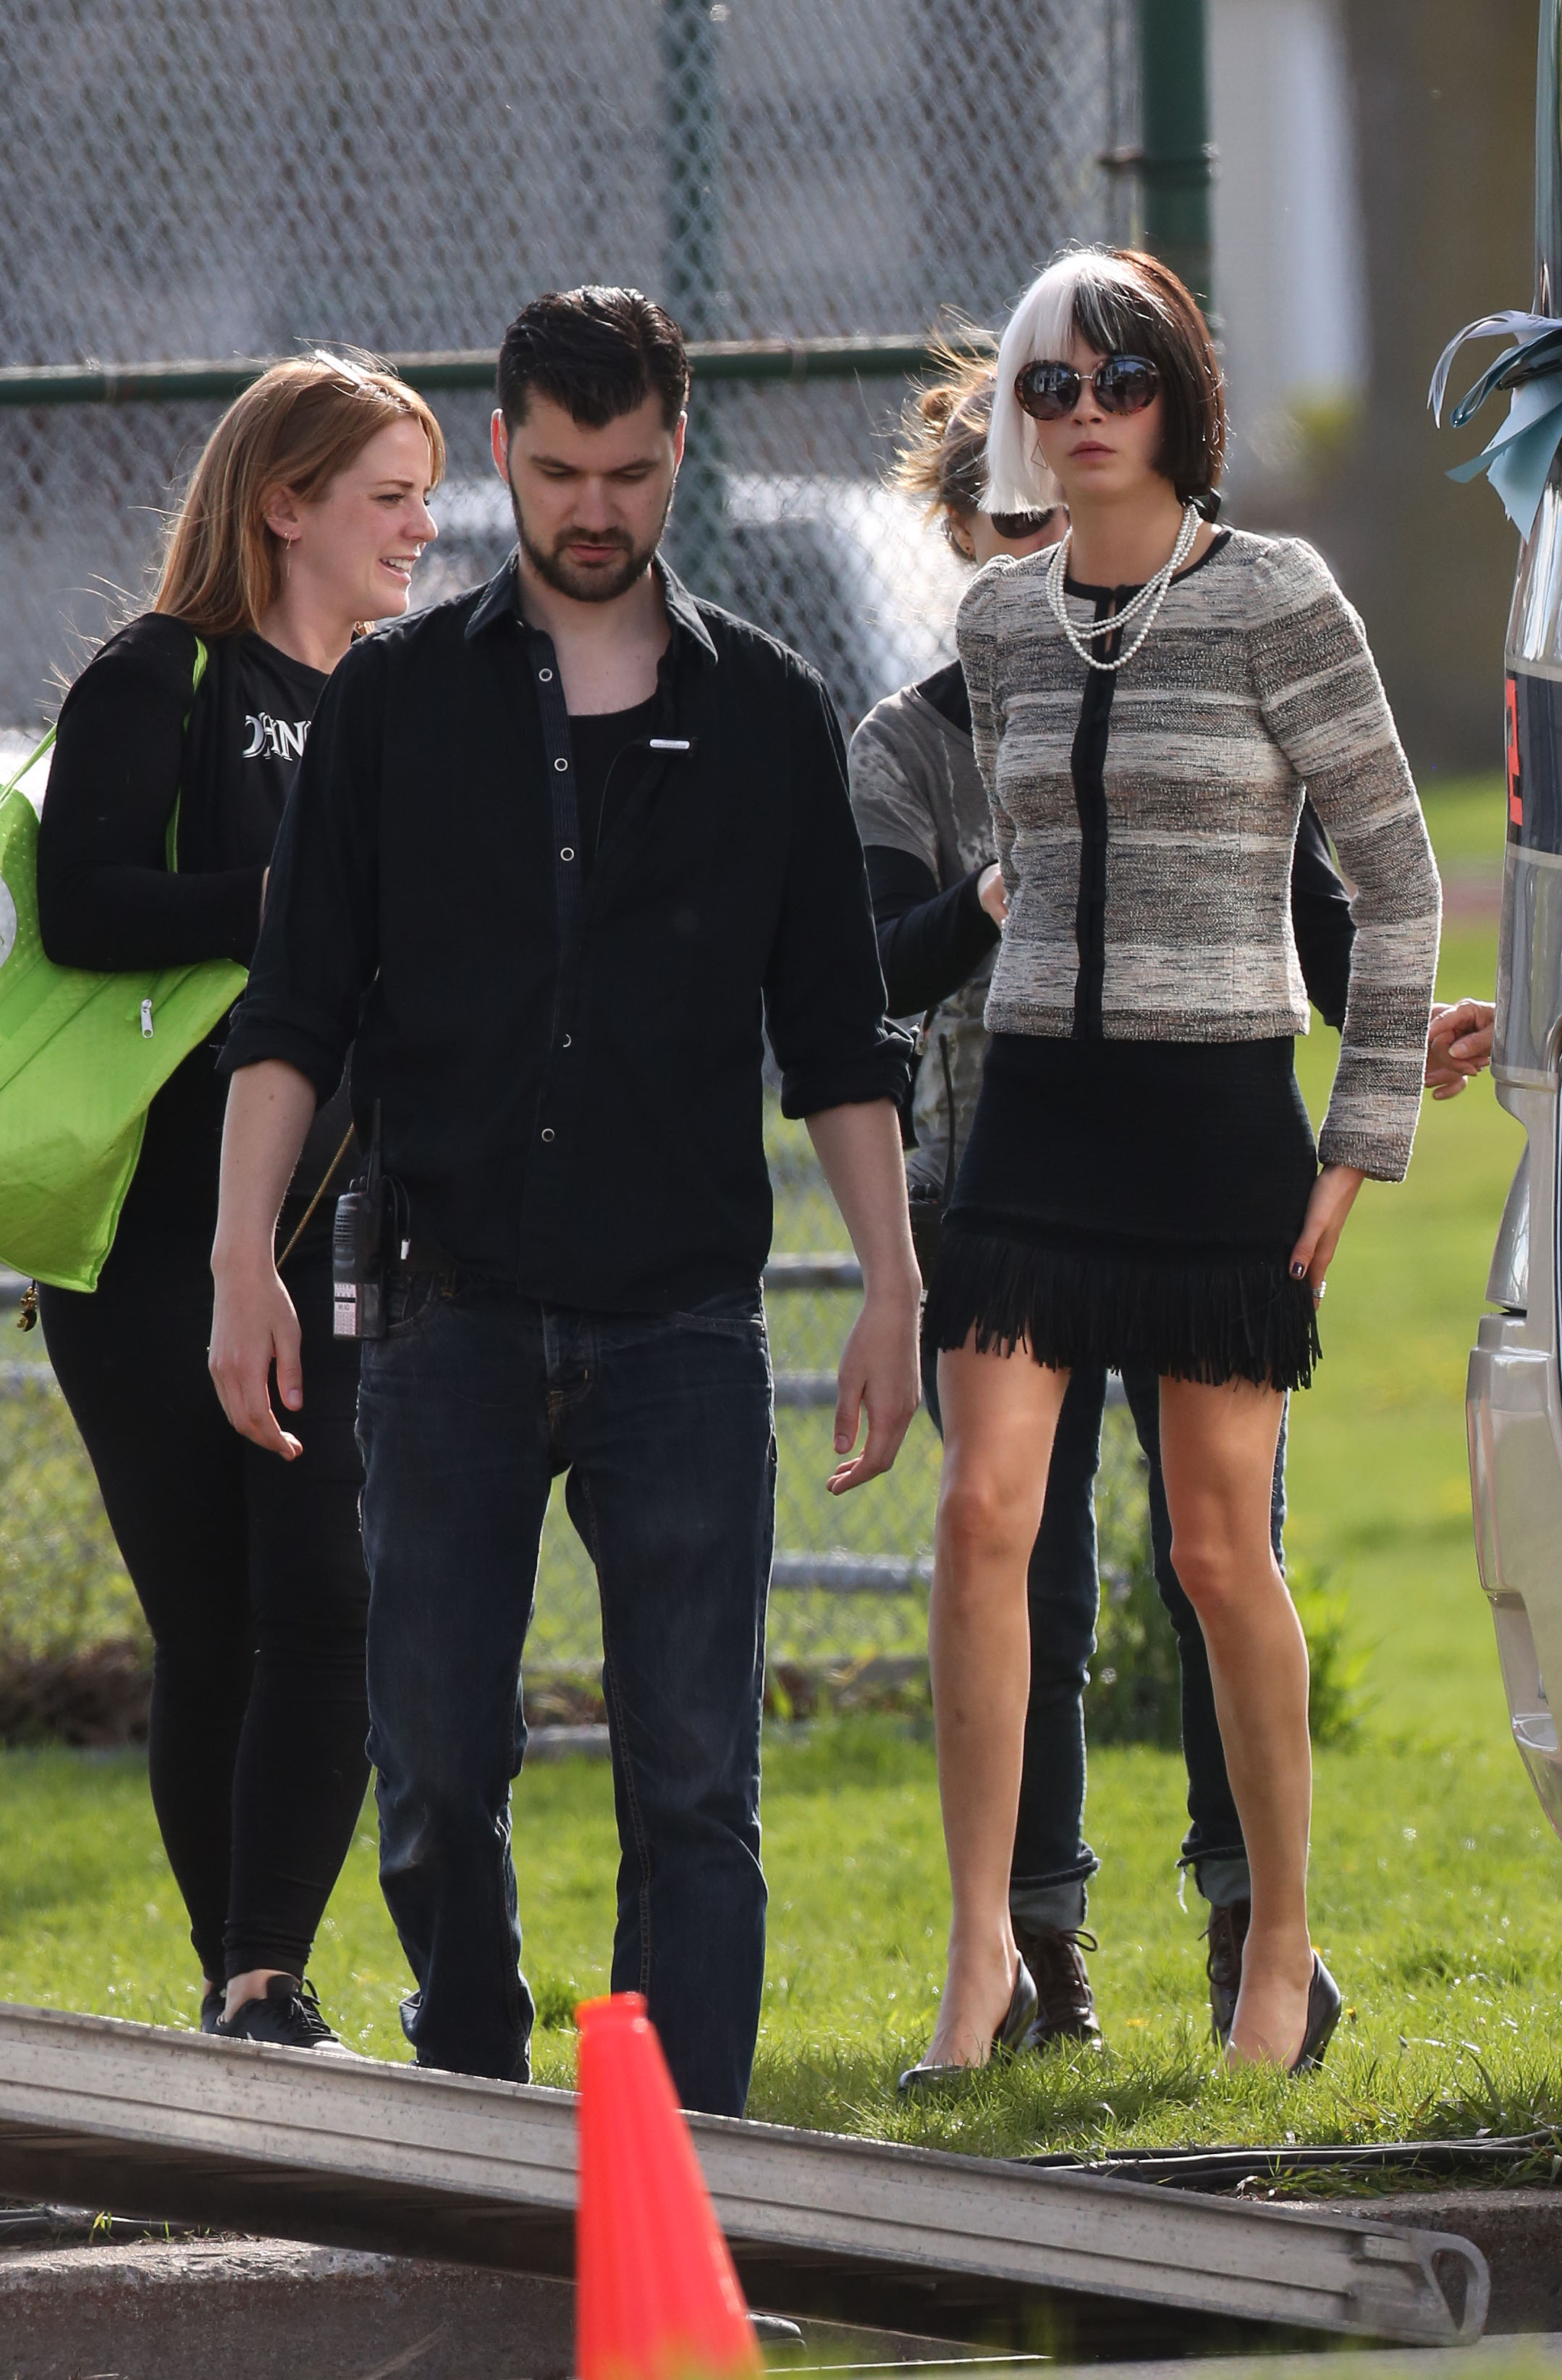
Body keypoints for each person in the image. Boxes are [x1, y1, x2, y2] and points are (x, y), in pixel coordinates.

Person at [208, 287, 919, 2118]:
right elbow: (292, 1010)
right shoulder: (394, 702)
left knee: (693, 1782)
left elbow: (838, 1038)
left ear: (679, 451)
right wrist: (238, 1260)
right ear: (501, 451)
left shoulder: (771, 713)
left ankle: (673, 2151)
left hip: (683, 1324)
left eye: (628, 472)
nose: (593, 509)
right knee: (437, 1770)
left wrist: (893, 1288)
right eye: (556, 471)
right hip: (443, 1311)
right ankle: (477, 2094)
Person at [908, 248, 1440, 2082]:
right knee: (982, 1515)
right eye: (1048, 386)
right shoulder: (999, 624)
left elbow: (1398, 878)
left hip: (1220, 1124)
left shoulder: (1281, 597)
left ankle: (1280, 1950)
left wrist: (1361, 1136)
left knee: (1217, 1551)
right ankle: (981, 1953)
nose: (1083, 414)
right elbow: (1024, 871)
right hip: (1036, 1119)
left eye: (1118, 379)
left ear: (1181, 398)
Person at [35, 353, 444, 2051]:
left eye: (425, 498)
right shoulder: (164, 675)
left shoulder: (406, 701)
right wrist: (283, 898)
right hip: (147, 1243)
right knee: (210, 1629)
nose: (421, 529)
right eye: (389, 497)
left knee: (332, 1600)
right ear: (285, 504)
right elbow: (81, 907)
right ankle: (235, 1988)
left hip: (341, 1227)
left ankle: (269, 1975)